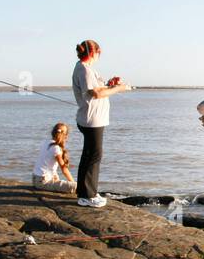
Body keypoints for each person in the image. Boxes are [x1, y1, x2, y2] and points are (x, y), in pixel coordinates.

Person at [71, 39, 131, 208]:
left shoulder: (85, 68)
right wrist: (119, 89)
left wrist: (109, 84)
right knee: (94, 156)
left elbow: (97, 88)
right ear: (94, 53)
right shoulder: (84, 70)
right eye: (99, 53)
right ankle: (88, 196)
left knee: (89, 155)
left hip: (91, 118)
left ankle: (84, 192)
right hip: (92, 120)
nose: (99, 56)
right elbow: (95, 93)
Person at [32, 122, 77, 194]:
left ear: (52, 132)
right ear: (65, 136)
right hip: (43, 182)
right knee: (79, 187)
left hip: (35, 179)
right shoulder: (56, 148)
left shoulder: (46, 142)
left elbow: (47, 164)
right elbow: (64, 170)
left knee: (60, 181)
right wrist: (73, 183)